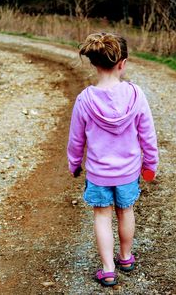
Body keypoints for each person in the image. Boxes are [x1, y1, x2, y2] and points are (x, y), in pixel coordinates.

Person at [67, 32, 159, 287]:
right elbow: (148, 135)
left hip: (98, 174)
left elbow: (76, 141)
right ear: (123, 63)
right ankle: (126, 257)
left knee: (102, 216)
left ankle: (108, 269)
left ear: (94, 63)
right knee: (126, 211)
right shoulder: (136, 95)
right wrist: (150, 164)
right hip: (128, 173)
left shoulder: (85, 100)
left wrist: (74, 164)